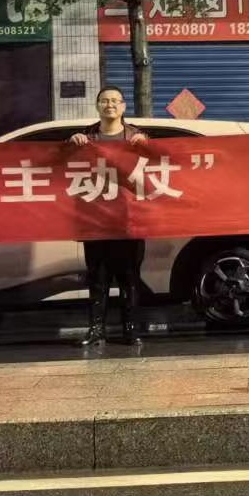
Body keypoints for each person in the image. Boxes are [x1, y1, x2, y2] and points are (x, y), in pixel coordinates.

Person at [70, 85, 149, 344]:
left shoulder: (137, 137)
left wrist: (146, 146)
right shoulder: (86, 137)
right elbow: (64, 167)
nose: (110, 105)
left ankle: (131, 330)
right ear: (97, 106)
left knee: (130, 278)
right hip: (96, 222)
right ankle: (96, 330)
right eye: (104, 101)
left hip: (129, 221)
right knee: (98, 278)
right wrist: (71, 143)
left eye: (115, 100)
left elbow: (157, 166)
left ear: (123, 107)